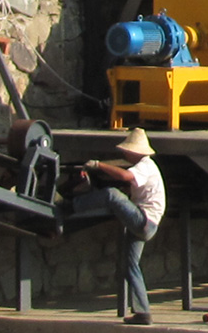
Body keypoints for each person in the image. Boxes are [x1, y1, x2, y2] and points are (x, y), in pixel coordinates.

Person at [71, 127, 165, 326]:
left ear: (135, 151)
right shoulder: (146, 167)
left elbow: (125, 177)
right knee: (130, 266)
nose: (125, 154)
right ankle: (143, 312)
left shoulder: (145, 165)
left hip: (144, 221)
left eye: (127, 151)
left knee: (111, 194)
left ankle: (68, 206)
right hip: (145, 222)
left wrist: (99, 165)